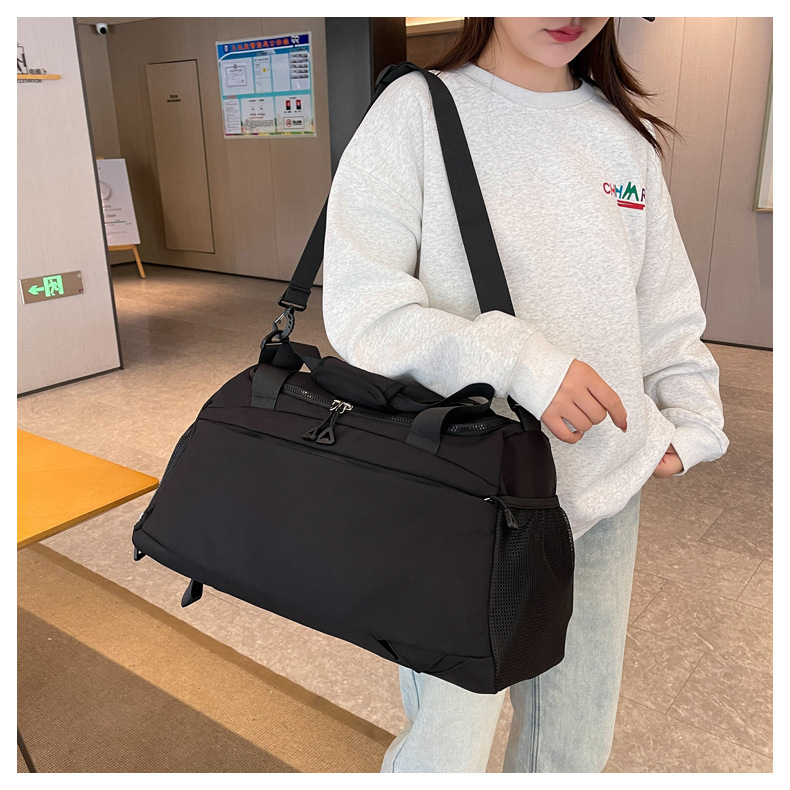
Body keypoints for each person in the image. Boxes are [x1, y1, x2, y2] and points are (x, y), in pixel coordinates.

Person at [321, 17, 729, 773]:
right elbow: (363, 309)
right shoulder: (416, 110)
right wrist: (523, 364)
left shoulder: (624, 139)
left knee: (570, 750)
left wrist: (692, 419)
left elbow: (664, 313)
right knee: (448, 749)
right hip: (464, 493)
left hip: (603, 494)